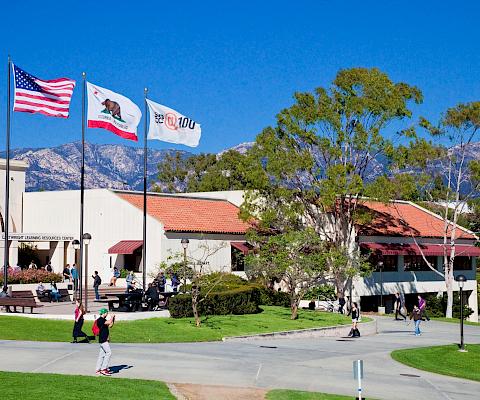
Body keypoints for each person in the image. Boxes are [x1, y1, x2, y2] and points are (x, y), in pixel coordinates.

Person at [95, 308, 115, 376]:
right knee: (109, 352)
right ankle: (104, 369)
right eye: (106, 313)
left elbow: (110, 325)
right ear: (103, 313)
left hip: (104, 339)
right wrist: (111, 317)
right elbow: (109, 322)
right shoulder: (100, 320)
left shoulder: (104, 320)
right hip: (103, 339)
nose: (107, 314)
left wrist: (113, 319)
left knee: (101, 355)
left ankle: (98, 369)